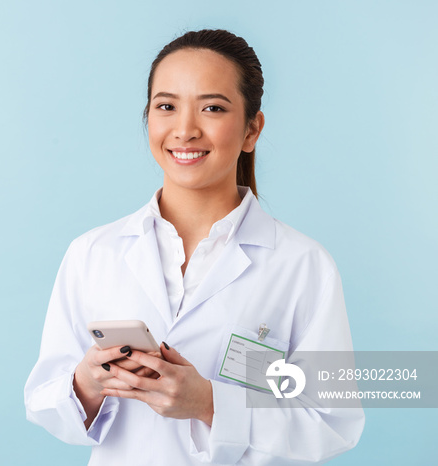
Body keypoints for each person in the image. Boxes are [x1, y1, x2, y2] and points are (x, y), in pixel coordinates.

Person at [24, 29, 364, 465]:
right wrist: (87, 382)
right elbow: (44, 403)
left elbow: (333, 424)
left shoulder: (303, 265)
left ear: (251, 129)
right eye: (166, 106)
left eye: (213, 108)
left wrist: (210, 404)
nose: (185, 130)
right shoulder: (93, 254)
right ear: (149, 118)